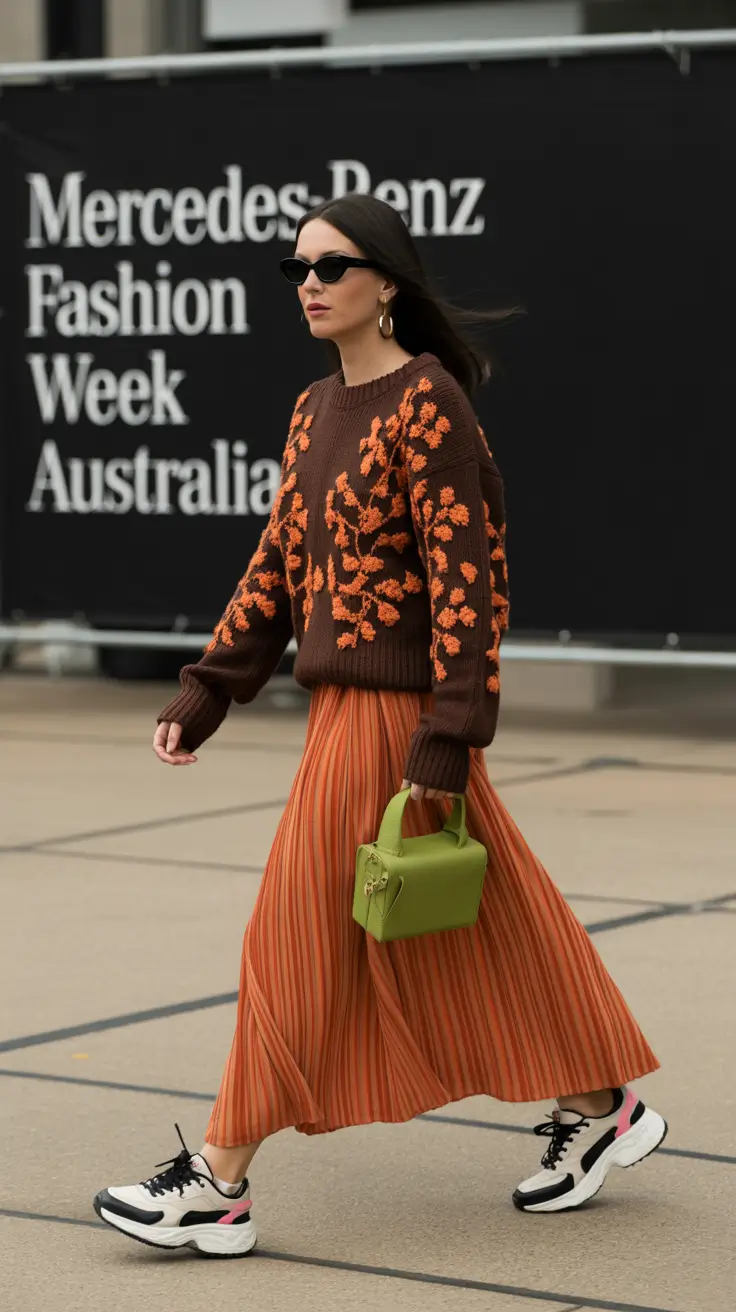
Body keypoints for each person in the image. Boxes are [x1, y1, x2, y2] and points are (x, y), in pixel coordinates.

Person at [93, 193, 666, 1257]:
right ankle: (605, 1106)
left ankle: (219, 1180)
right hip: (339, 713)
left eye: (332, 264)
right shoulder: (315, 409)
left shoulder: (428, 405)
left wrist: (445, 741)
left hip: (400, 724)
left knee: (291, 934)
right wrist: (209, 687)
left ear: (386, 283)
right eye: (295, 266)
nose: (308, 282)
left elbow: (471, 586)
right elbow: (276, 563)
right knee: (472, 936)